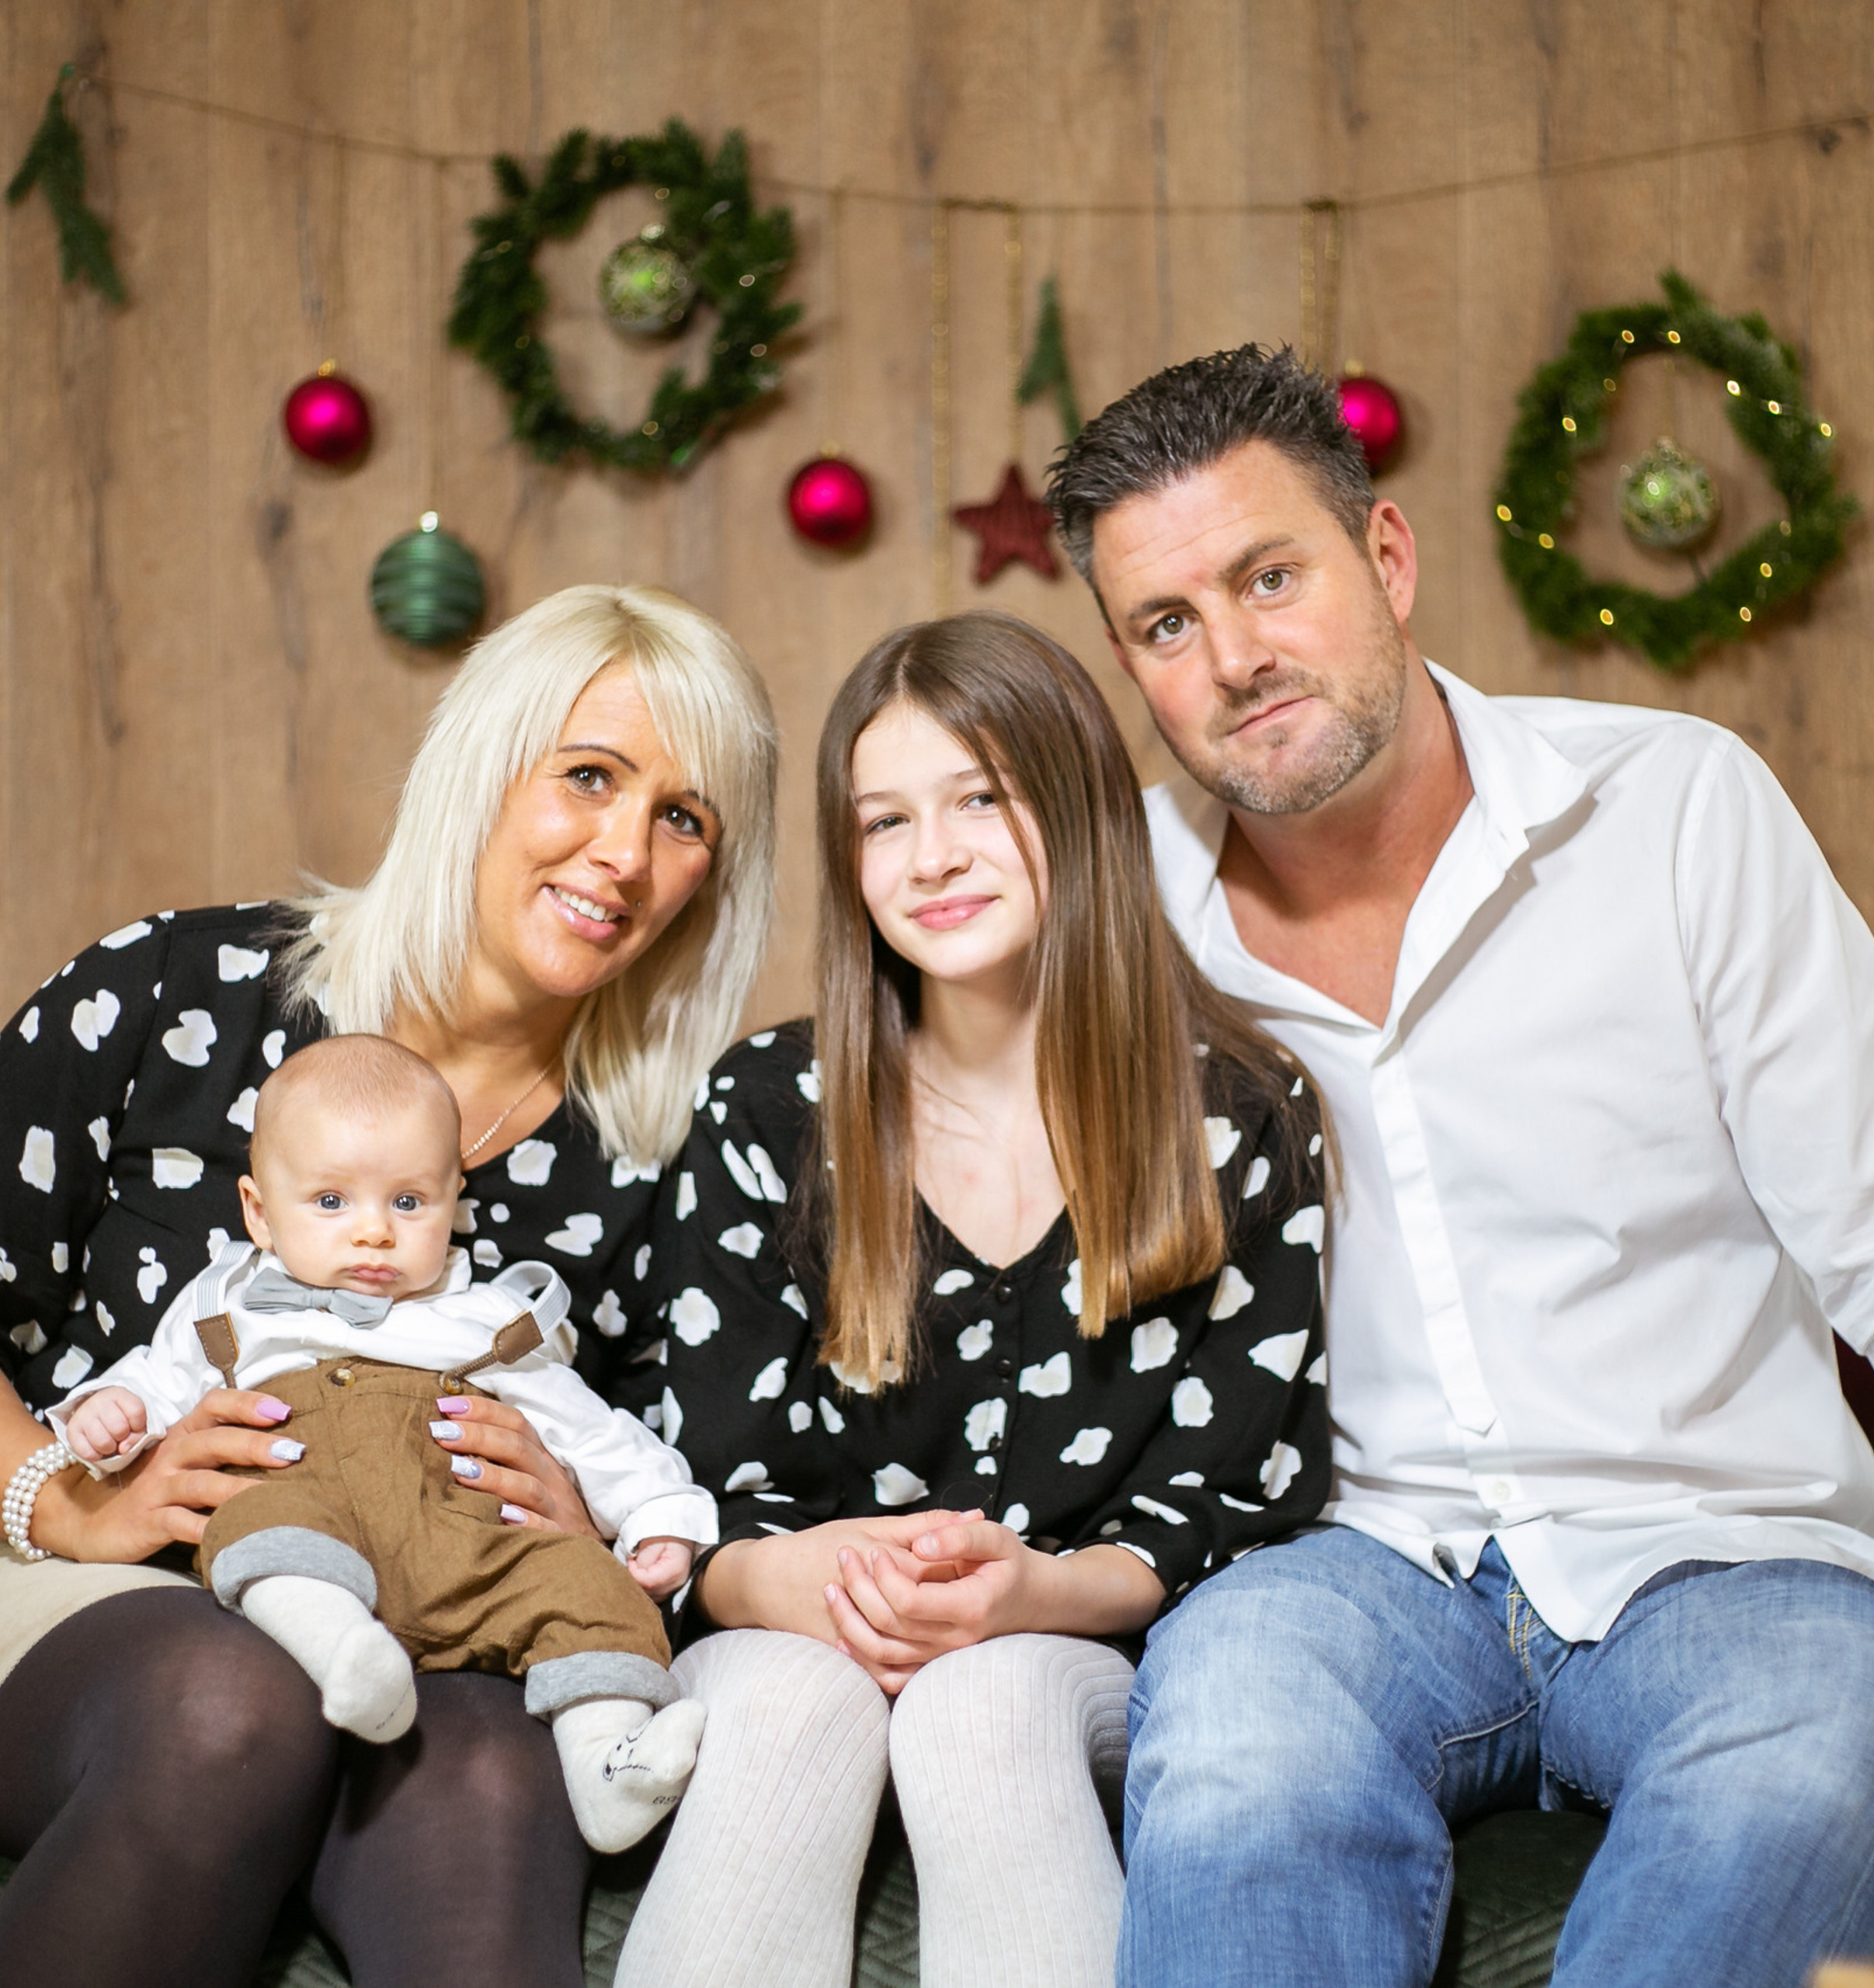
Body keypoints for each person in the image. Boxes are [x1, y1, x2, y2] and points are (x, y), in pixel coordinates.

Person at [1040, 345, 1874, 1987]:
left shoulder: (1671, 808)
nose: (1236, 656)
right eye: (1165, 623)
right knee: (1235, 1726)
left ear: (1385, 557)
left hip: (1733, 1559)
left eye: (1271, 575)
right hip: (1353, 1569)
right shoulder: (1116, 917)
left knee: (1810, 1747)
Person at [0, 583, 777, 1988]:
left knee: (480, 1791)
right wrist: (52, 1494)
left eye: (684, 818)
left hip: (447, 1626)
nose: (624, 854)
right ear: (482, 770)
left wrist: (603, 1523)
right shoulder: (182, 993)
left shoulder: (673, 1156)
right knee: (233, 1697)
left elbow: (694, 1486)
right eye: (589, 777)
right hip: (85, 1594)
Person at [612, 610, 1332, 1988]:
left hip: (1073, 1652)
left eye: (978, 802)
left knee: (984, 1702)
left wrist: (1022, 1601)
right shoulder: (772, 1109)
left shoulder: (1238, 1118)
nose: (929, 857)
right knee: (786, 1701)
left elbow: (1231, 1510)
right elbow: (698, 1498)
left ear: (1077, 810)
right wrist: (802, 1579)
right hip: (792, 1634)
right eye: (884, 823)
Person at [54, 1032, 713, 1851]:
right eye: (331, 1202)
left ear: (452, 1203)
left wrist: (658, 1513)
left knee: (582, 1579)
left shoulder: (485, 1322)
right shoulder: (230, 1306)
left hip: (467, 1549)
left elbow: (587, 1429)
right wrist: (110, 1417)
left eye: (408, 1203)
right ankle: (344, 1653)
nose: (373, 1232)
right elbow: (156, 1386)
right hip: (309, 1517)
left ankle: (610, 1766)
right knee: (255, 1511)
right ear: (258, 1212)